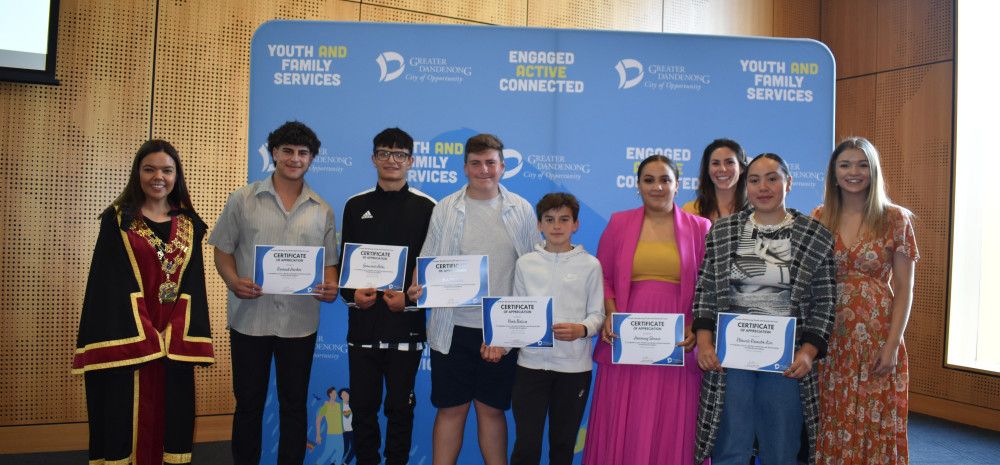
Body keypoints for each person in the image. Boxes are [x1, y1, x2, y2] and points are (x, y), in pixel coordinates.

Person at [72, 139, 214, 465]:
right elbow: (108, 284)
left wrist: (174, 331)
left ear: (177, 175)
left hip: (172, 342)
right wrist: (146, 332)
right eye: (149, 169)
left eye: (167, 170)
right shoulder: (118, 221)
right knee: (123, 419)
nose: (158, 177)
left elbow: (193, 286)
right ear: (138, 173)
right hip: (128, 338)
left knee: (172, 420)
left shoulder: (190, 225)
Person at [692, 153, 836, 465]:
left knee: (781, 447)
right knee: (731, 444)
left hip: (787, 358)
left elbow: (825, 302)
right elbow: (704, 290)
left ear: (789, 182)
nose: (763, 187)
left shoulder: (815, 235)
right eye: (755, 180)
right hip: (731, 357)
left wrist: (808, 353)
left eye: (773, 178)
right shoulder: (722, 231)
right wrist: (704, 342)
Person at [210, 121, 340, 465]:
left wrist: (330, 286)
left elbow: (329, 263)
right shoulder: (243, 199)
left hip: (299, 324)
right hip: (249, 319)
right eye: (287, 151)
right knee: (249, 403)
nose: (295, 159)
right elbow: (221, 249)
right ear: (274, 154)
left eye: (302, 153)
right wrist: (233, 280)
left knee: (294, 404)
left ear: (311, 158)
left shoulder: (322, 209)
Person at [407, 133, 538, 465]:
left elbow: (533, 269)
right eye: (476, 163)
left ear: (503, 167)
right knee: (451, 411)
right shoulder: (446, 208)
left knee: (492, 412)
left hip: (499, 332)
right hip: (452, 329)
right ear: (465, 167)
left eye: (490, 163)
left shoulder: (521, 209)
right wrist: (416, 287)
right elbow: (428, 259)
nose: (484, 170)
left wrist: (513, 332)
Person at [581, 155, 711, 465]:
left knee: (673, 416)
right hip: (627, 336)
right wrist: (611, 314)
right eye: (649, 180)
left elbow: (708, 284)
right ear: (637, 186)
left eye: (665, 180)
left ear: (677, 186)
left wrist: (695, 324)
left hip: (679, 339)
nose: (657, 187)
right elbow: (605, 276)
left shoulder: (700, 227)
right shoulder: (619, 222)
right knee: (626, 414)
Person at [814, 137, 918, 465]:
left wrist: (892, 344)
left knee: (876, 419)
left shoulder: (895, 219)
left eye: (862, 164)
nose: (853, 172)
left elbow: (904, 289)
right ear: (834, 173)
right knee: (835, 416)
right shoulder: (819, 216)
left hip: (878, 337)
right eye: (845, 164)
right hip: (832, 338)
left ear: (873, 172)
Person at [339, 127, 435, 465]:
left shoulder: (428, 207)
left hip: (405, 327)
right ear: (373, 158)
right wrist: (353, 295)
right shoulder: (355, 205)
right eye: (383, 153)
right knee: (362, 408)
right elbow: (344, 271)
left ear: (410, 161)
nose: (390, 160)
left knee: (399, 408)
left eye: (398, 155)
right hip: (363, 325)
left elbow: (431, 271)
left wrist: (408, 301)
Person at [509, 193, 605, 465]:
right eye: (549, 220)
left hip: (574, 370)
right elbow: (515, 313)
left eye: (564, 219)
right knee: (526, 446)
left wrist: (582, 329)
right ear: (539, 225)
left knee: (562, 446)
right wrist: (499, 343)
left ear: (575, 224)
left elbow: (597, 314)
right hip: (530, 367)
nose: (557, 226)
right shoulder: (525, 263)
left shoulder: (590, 265)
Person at [683, 138, 749, 222]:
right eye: (715, 163)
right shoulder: (690, 211)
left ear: (741, 168)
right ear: (708, 169)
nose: (722, 169)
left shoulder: (757, 211)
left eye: (729, 162)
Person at [316, 387, 346, 465]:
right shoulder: (325, 406)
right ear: (330, 394)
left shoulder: (339, 405)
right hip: (331, 435)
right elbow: (318, 420)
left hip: (340, 436)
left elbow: (347, 415)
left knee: (339, 456)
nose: (336, 395)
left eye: (336, 393)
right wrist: (318, 435)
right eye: (334, 393)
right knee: (326, 455)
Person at [340, 388, 355, 465]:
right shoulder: (345, 405)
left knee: (352, 448)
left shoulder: (349, 404)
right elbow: (347, 415)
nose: (343, 397)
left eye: (344, 395)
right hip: (347, 430)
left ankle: (344, 463)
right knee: (346, 449)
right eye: (342, 396)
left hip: (350, 430)